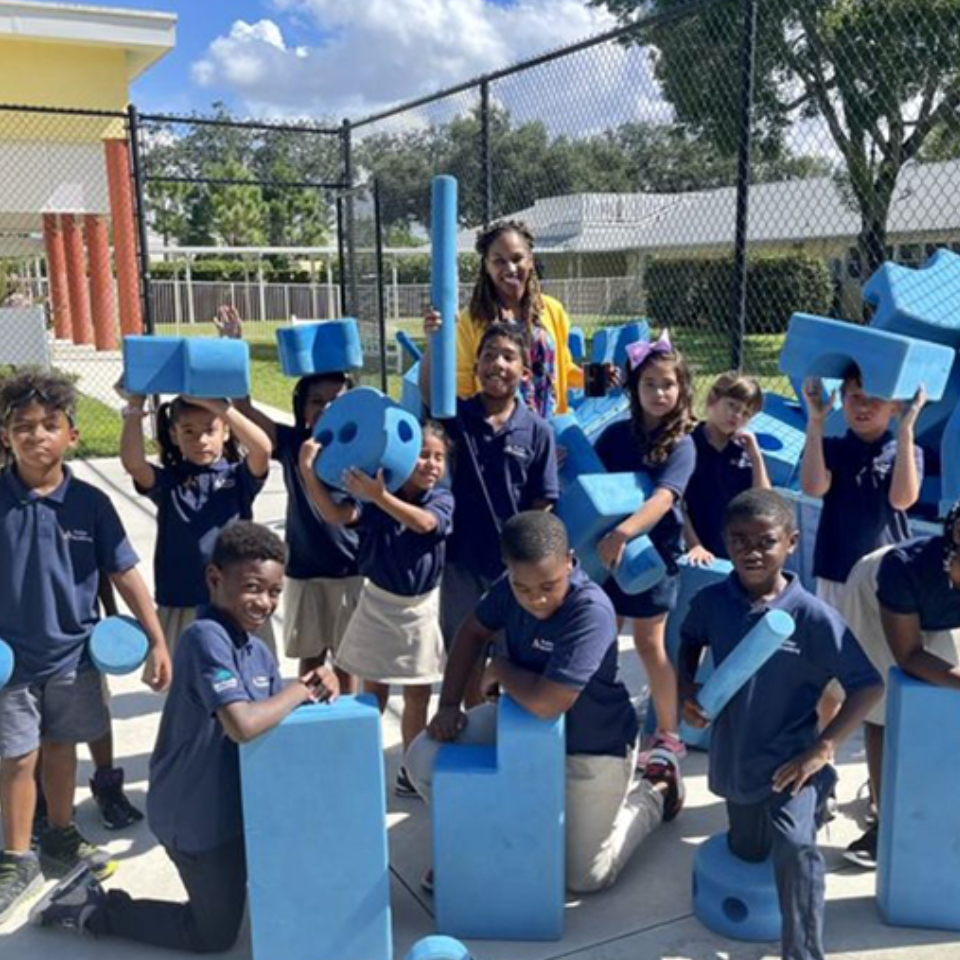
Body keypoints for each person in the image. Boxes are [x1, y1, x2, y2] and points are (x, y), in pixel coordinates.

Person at [30, 521, 339, 951]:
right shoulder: (203, 638)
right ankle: (91, 907)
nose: (264, 602)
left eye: (274, 592)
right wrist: (300, 688)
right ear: (215, 578)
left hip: (235, 811)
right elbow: (244, 724)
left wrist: (318, 692)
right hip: (194, 817)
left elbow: (274, 719)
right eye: (253, 587)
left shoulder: (258, 650)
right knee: (213, 936)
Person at [405, 511, 682, 893]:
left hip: (592, 744)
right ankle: (471, 844)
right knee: (424, 757)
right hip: (519, 729)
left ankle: (657, 788)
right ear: (509, 571)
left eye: (549, 585)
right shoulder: (511, 585)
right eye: (524, 588)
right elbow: (472, 631)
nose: (536, 598)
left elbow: (548, 703)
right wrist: (449, 703)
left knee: (586, 878)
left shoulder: (591, 612)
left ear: (570, 560)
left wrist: (500, 668)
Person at [679, 488, 883, 960]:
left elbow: (867, 685)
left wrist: (824, 748)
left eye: (765, 541)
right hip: (736, 755)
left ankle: (804, 952)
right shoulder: (714, 602)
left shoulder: (811, 617)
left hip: (793, 762)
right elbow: (688, 639)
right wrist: (687, 687)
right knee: (749, 850)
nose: (751, 551)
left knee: (796, 849)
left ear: (791, 543)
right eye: (739, 540)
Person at [0, 370, 171, 924]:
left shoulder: (92, 504)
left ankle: (62, 838)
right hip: (11, 662)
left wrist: (157, 641)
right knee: (16, 758)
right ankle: (15, 857)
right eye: (22, 426)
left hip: (72, 656)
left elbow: (125, 575)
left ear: (72, 435)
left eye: (50, 424)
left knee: (59, 749)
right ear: (5, 436)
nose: (36, 435)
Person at [300, 422, 454, 796]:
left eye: (439, 457)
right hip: (377, 603)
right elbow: (336, 514)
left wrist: (380, 496)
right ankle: (357, 761)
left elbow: (424, 524)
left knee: (418, 693)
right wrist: (309, 472)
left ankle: (411, 771)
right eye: (423, 454)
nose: (431, 464)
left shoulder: (441, 499)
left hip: (419, 609)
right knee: (374, 691)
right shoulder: (376, 495)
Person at [419, 321, 559, 701]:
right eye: (489, 355)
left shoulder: (538, 431)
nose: (497, 363)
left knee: (512, 659)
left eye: (509, 357)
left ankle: (503, 735)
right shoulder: (457, 417)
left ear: (525, 372)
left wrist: (528, 561)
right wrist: (433, 341)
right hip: (461, 562)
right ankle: (471, 727)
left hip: (512, 572)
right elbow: (430, 394)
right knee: (464, 656)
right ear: (476, 364)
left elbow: (542, 504)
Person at [833, 498, 960, 869]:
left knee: (945, 696)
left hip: (938, 609)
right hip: (877, 598)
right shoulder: (903, 569)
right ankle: (882, 819)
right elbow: (909, 657)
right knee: (884, 706)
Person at [593, 329, 697, 764]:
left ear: (682, 389)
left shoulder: (682, 443)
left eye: (668, 384)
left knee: (650, 644)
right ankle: (598, 717)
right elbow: (591, 478)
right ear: (634, 388)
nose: (659, 392)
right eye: (649, 384)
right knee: (601, 637)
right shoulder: (616, 435)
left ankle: (669, 733)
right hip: (607, 558)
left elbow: (663, 498)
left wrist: (624, 533)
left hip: (652, 557)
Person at [800, 366, 925, 724]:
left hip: (885, 579)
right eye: (855, 396)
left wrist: (906, 431)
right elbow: (813, 487)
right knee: (830, 670)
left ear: (895, 406)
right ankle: (824, 756)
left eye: (875, 398)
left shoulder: (907, 449)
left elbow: (903, 499)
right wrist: (816, 422)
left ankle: (879, 746)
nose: (863, 405)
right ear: (843, 399)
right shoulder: (833, 448)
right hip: (838, 572)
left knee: (883, 664)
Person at [119, 390, 273, 654]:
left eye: (210, 430)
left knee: (243, 682)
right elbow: (134, 464)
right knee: (187, 682)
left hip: (236, 599)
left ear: (225, 433)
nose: (200, 440)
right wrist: (134, 407)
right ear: (173, 435)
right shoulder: (170, 482)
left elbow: (263, 449)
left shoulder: (239, 478)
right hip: (182, 598)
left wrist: (219, 406)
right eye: (188, 431)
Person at [237, 373, 363, 685]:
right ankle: (312, 720)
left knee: (347, 662)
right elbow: (244, 411)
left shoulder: (362, 451)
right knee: (310, 657)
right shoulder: (294, 444)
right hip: (304, 570)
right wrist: (236, 353)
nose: (327, 408)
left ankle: (346, 719)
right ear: (302, 410)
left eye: (337, 401)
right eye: (317, 401)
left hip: (351, 571)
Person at [425, 219, 583, 418]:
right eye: (499, 261)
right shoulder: (473, 320)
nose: (510, 268)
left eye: (517, 258)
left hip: (550, 424)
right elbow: (463, 386)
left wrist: (593, 378)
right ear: (487, 266)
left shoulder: (552, 310)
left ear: (531, 260)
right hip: (496, 426)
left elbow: (563, 370)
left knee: (586, 449)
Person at [684, 371, 769, 564]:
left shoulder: (742, 451)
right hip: (694, 549)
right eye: (732, 405)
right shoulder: (688, 445)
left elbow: (764, 503)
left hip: (736, 551)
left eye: (746, 413)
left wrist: (756, 456)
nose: (737, 416)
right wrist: (694, 545)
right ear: (713, 399)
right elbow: (676, 504)